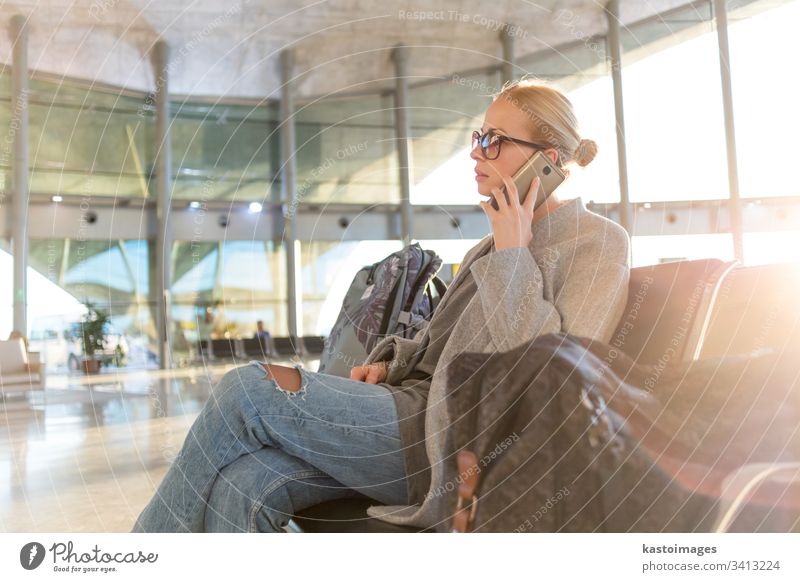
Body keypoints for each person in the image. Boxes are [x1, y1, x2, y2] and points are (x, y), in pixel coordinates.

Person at [132, 78, 631, 533]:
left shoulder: (597, 243)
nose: (476, 152)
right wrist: (393, 362)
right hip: (416, 410)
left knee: (246, 389)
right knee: (246, 482)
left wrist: (514, 254)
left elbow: (557, 378)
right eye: (478, 137)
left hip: (454, 439)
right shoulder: (495, 242)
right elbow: (447, 348)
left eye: (494, 140)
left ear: (544, 160)